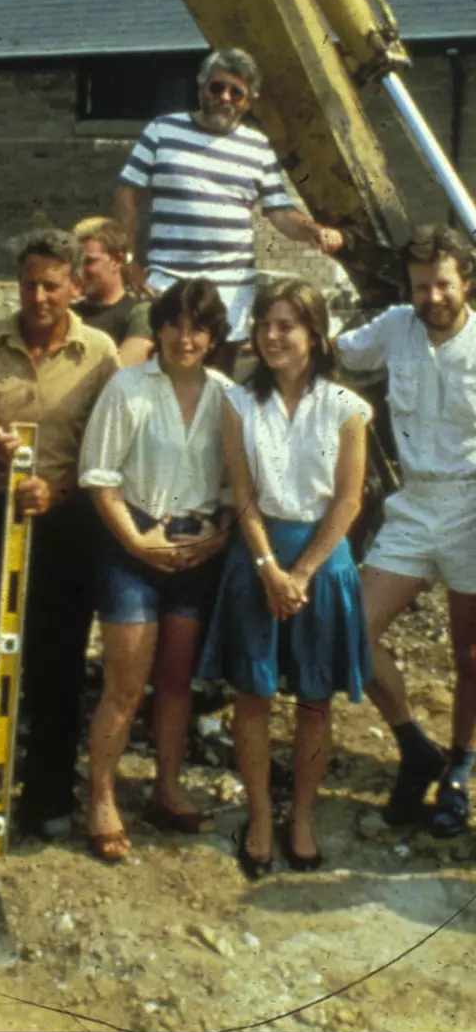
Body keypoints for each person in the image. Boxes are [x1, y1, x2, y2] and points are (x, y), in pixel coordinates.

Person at [200, 280, 372, 877]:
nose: (272, 337)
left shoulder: (346, 409)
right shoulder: (238, 404)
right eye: (265, 325)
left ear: (315, 335)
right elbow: (243, 494)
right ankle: (260, 818)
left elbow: (349, 502)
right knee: (252, 693)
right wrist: (269, 567)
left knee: (315, 700)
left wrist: (300, 571)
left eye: (286, 326)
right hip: (258, 558)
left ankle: (301, 816)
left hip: (322, 564)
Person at [0, 228, 120, 837]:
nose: (39, 296)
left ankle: (48, 796)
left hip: (67, 525)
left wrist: (62, 491)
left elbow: (108, 450)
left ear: (76, 285)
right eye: (30, 283)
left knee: (58, 663)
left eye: (52, 284)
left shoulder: (101, 353)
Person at [77, 277, 235, 862]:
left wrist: (216, 539)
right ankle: (102, 800)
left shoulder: (226, 396)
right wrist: (137, 542)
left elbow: (231, 487)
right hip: (132, 552)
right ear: (159, 328)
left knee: (175, 684)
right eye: (173, 324)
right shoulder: (128, 388)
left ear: (214, 336)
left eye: (198, 327)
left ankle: (166, 791)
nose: (184, 338)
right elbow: (98, 476)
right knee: (124, 684)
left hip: (195, 553)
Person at [337, 225, 476, 837]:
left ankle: (461, 770)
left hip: (473, 509)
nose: (432, 298)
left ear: (465, 282)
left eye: (443, 284)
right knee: (352, 631)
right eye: (421, 287)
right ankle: (415, 746)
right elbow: (335, 352)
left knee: (471, 654)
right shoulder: (394, 327)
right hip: (414, 508)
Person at [114, 47, 346, 344]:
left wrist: (314, 230)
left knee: (222, 380)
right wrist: (128, 260)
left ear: (249, 102)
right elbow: (127, 193)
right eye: (217, 87)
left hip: (232, 294)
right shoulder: (162, 130)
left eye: (236, 93)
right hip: (167, 285)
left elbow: (280, 212)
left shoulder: (258, 146)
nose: (225, 98)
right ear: (201, 88)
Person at [73, 215, 155, 366]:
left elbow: (120, 368)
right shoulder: (69, 314)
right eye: (75, 262)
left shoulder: (140, 313)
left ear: (116, 261)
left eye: (89, 262)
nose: (80, 271)